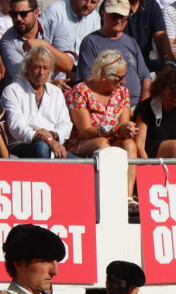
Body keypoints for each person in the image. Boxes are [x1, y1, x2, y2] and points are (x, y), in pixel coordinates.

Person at [65, 50, 138, 210]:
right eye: (120, 77)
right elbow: (85, 130)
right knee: (102, 144)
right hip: (83, 142)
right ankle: (108, 196)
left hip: (112, 139)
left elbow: (123, 127)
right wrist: (114, 130)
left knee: (130, 145)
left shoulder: (122, 93)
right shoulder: (80, 91)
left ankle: (127, 197)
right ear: (104, 74)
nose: (124, 81)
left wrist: (128, 129)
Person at [76, 0, 152, 106]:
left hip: (137, 105)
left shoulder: (131, 42)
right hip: (109, 107)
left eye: (123, 17)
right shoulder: (90, 42)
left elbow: (145, 77)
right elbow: (88, 80)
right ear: (103, 14)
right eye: (114, 16)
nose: (118, 21)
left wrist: (144, 106)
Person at [2, 46, 70, 158]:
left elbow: (65, 124)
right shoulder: (12, 90)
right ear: (26, 68)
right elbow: (17, 127)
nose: (41, 72)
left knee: (84, 166)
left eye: (46, 67)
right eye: (36, 67)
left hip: (53, 147)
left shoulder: (56, 92)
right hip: (22, 145)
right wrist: (47, 140)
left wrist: (52, 135)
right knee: (42, 148)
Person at [133, 66, 176, 158]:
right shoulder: (146, 107)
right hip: (151, 147)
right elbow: (139, 144)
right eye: (165, 96)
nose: (167, 100)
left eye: (173, 98)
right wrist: (148, 166)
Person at [0, 0, 73, 86]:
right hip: (23, 93)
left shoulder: (54, 28)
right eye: (14, 15)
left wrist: (43, 45)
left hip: (59, 91)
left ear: (36, 13)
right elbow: (20, 76)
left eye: (23, 14)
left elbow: (67, 66)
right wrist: (50, 85)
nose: (18, 18)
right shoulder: (8, 39)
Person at [41, 0, 103, 78]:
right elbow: (42, 50)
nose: (88, 5)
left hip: (82, 75)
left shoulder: (95, 17)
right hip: (55, 76)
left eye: (93, 2)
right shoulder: (55, 11)